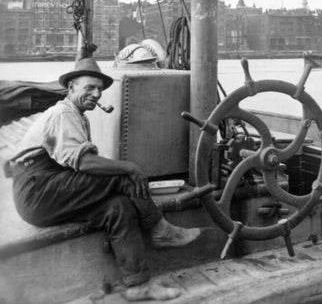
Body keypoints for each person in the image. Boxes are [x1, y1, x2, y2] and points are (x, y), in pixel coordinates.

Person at [9, 57, 201, 299]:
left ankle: (138, 284)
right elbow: (84, 162)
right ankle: (160, 229)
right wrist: (128, 167)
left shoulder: (79, 116)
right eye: (89, 87)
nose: (97, 94)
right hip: (37, 191)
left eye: (99, 89)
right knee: (125, 176)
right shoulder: (62, 114)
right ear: (71, 88)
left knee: (118, 208)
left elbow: (82, 166)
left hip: (46, 194)